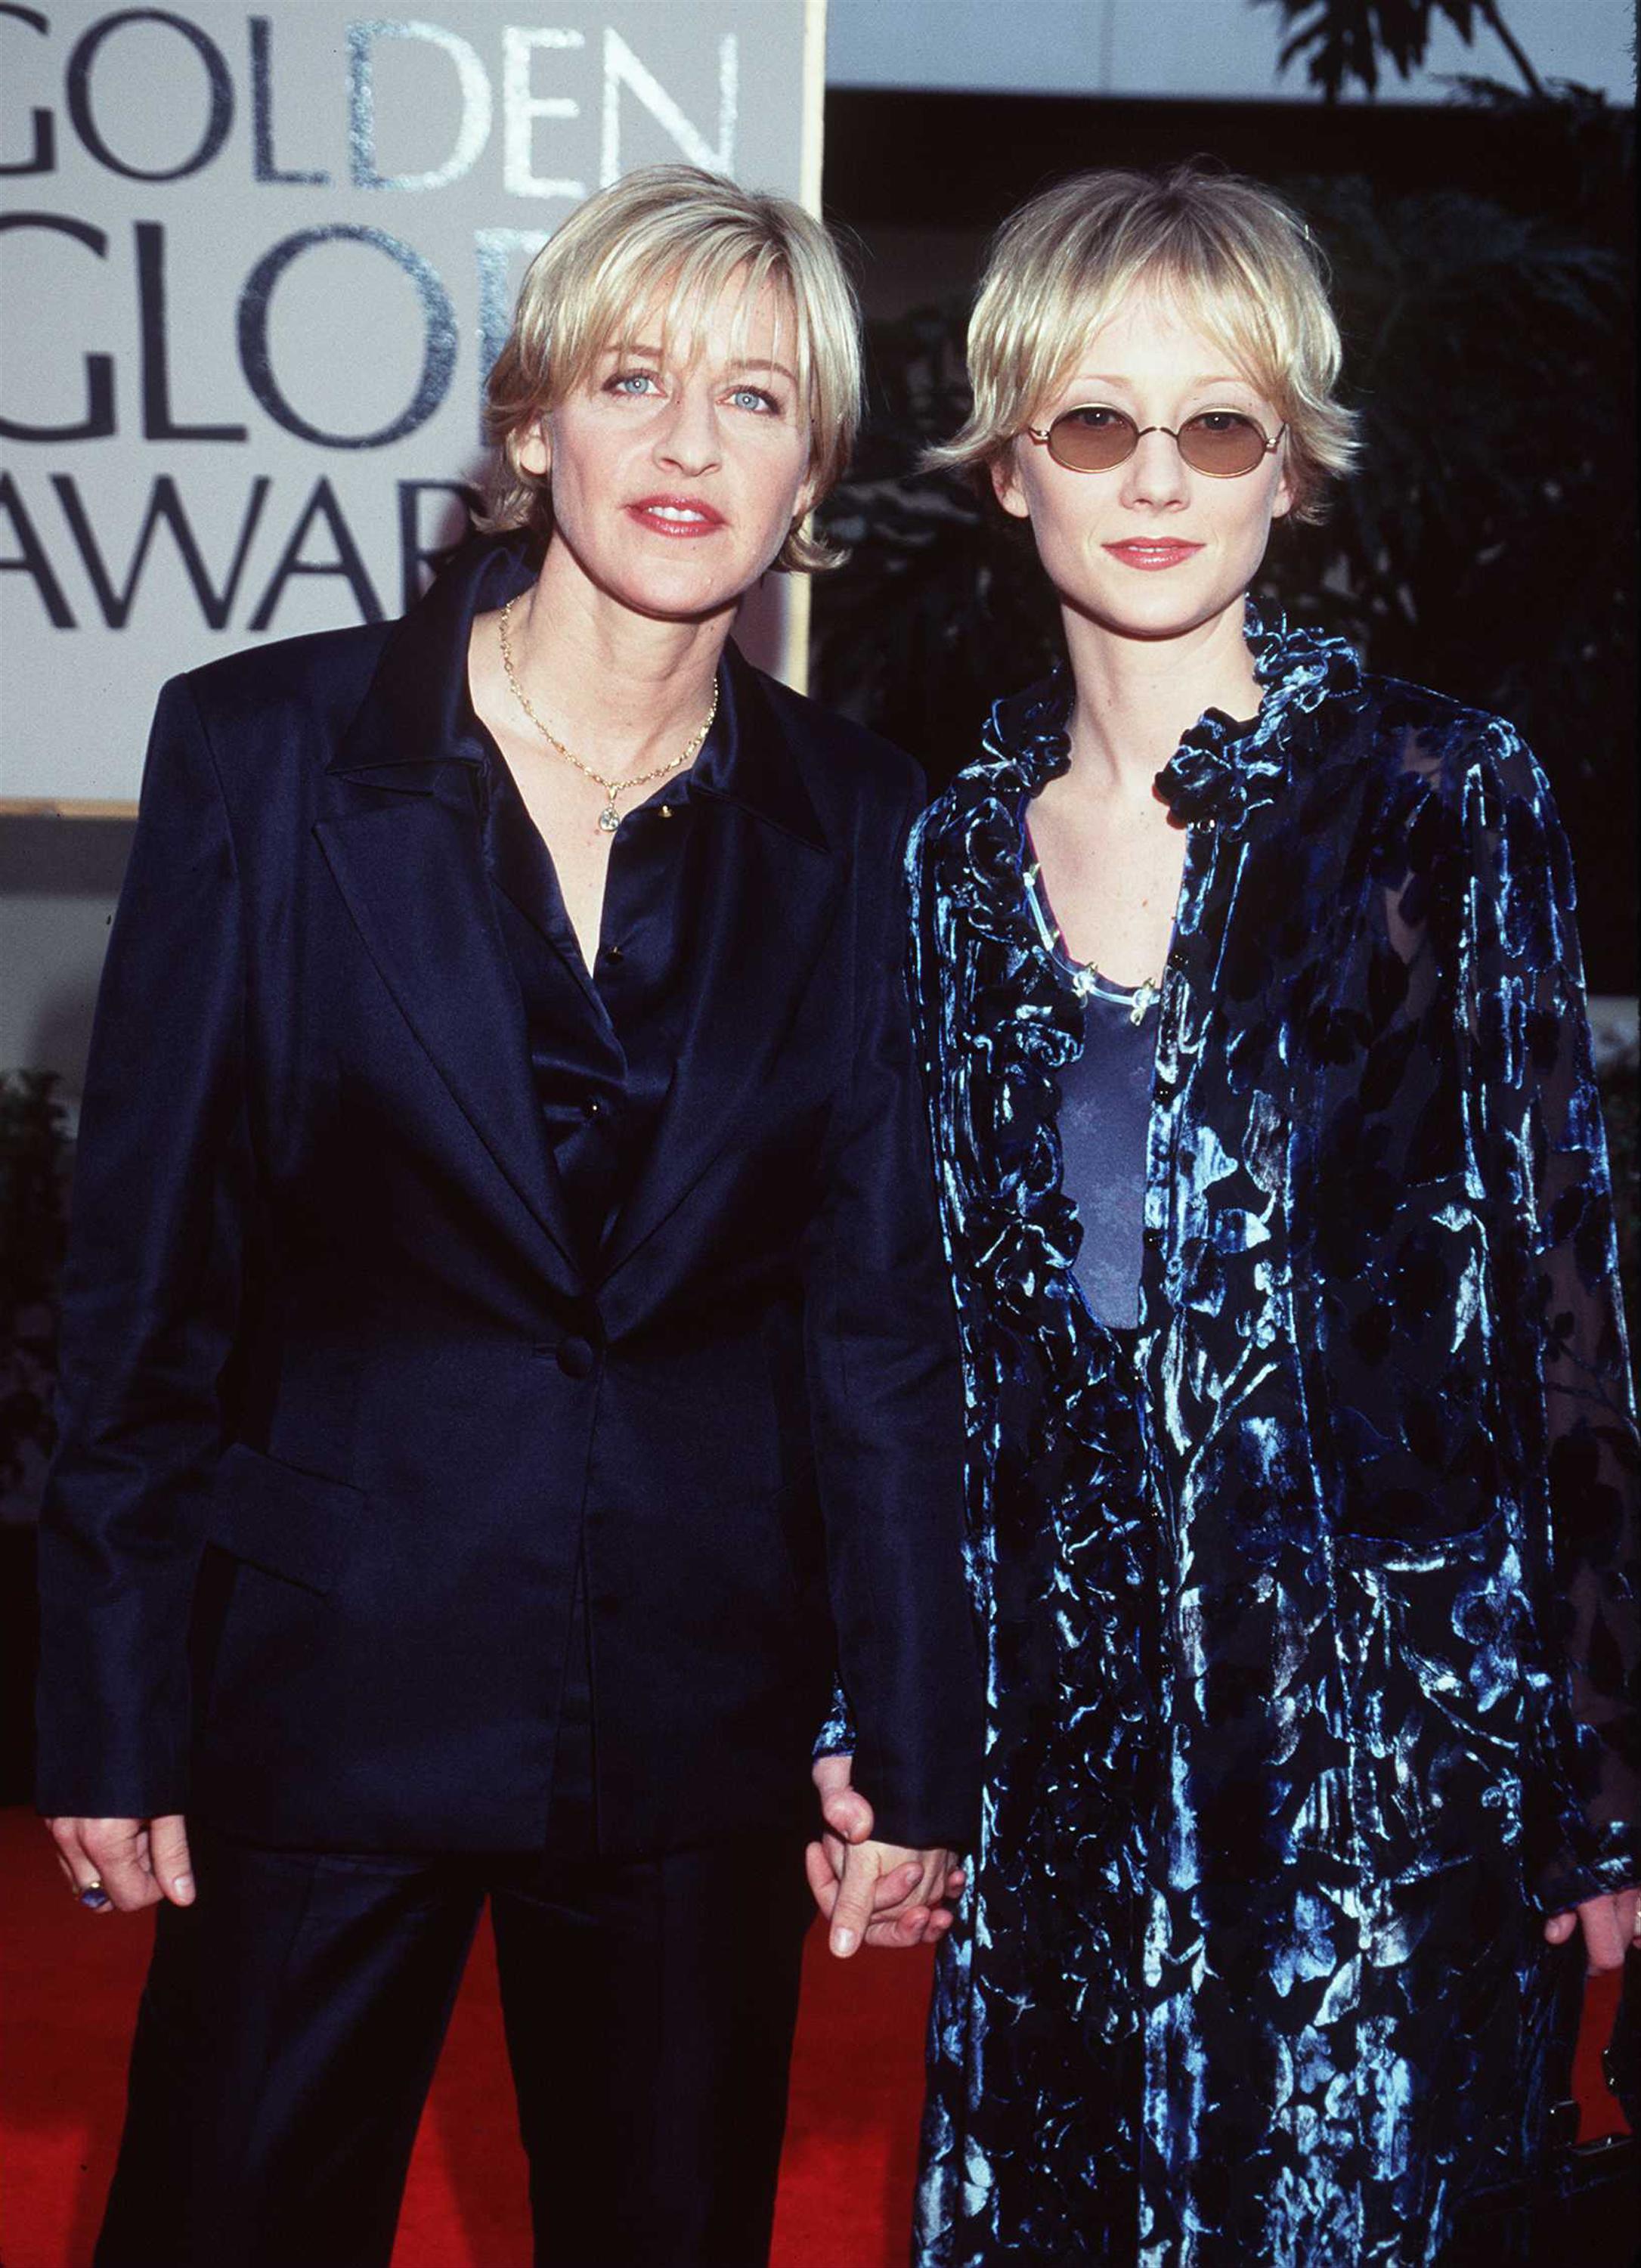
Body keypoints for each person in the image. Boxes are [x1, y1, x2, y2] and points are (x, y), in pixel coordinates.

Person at [36, 163, 981, 2268]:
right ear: (534, 419)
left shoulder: (866, 827)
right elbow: (147, 1268)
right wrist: (108, 1691)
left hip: (687, 1723)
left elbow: (877, 1325)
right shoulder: (263, 756)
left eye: (752, 400)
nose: (682, 442)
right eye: (631, 380)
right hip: (319, 1686)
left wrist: (915, 1740)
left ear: (809, 466)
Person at [810, 165, 1639, 2265]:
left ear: (1296, 468)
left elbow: (1557, 1293)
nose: (1155, 479)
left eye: (1220, 425)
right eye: (1095, 424)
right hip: (1056, 1753)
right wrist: (870, 1707)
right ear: (1010, 466)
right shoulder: (941, 865)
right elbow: (905, 1348)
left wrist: (1598, 1768)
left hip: (1384, 1747)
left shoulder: (1443, 799)